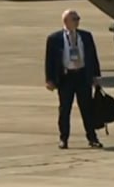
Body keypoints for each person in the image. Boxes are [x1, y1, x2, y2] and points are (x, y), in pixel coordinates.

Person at [44, 8, 104, 149]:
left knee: (87, 109)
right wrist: (49, 79)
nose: (77, 21)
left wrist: (96, 76)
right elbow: (49, 61)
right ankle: (63, 138)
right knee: (65, 110)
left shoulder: (86, 36)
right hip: (66, 78)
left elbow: (93, 57)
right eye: (75, 19)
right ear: (66, 21)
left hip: (82, 76)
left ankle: (92, 138)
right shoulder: (54, 39)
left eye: (78, 19)